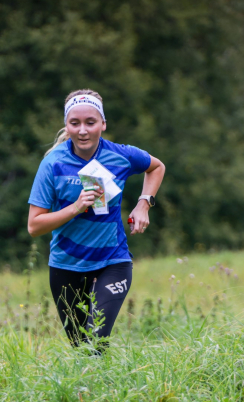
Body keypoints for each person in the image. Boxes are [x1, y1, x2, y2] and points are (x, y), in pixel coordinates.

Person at [27, 89, 166, 354]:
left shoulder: (121, 155)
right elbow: (34, 226)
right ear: (66, 125)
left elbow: (156, 167)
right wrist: (76, 207)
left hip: (113, 261)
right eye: (74, 123)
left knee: (96, 340)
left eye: (90, 122)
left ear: (103, 123)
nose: (82, 131)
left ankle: (107, 394)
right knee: (81, 349)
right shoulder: (52, 165)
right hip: (66, 264)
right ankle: (84, 395)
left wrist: (143, 203)